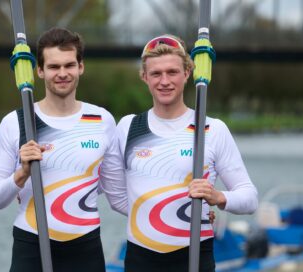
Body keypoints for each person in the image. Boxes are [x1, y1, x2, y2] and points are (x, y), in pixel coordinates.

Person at [101, 34, 258, 272]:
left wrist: (217, 198)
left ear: (188, 73)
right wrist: (161, 213)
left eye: (172, 72)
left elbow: (249, 198)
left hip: (195, 256)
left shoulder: (212, 129)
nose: (164, 81)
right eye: (156, 73)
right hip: (141, 257)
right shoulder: (128, 127)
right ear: (144, 77)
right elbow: (117, 198)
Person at [0, 27, 116, 272]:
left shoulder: (102, 120)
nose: (62, 73)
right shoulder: (16, 122)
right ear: (40, 71)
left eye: (69, 65)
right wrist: (20, 174)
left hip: (86, 249)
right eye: (54, 67)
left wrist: (198, 211)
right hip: (31, 246)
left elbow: (117, 191)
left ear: (81, 67)